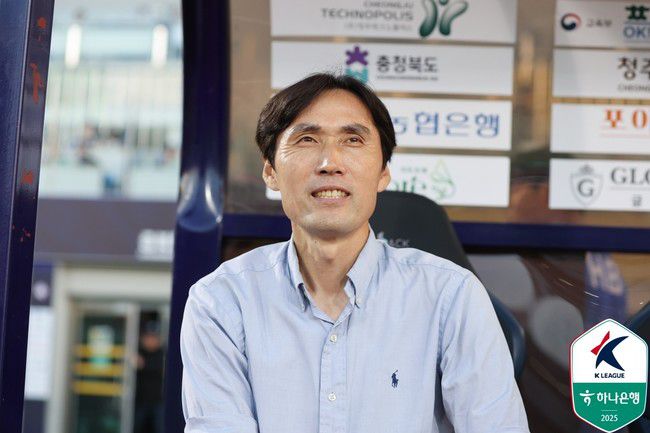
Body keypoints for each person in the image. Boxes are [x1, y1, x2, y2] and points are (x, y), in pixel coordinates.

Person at [180, 73, 530, 432]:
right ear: (271, 172)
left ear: (383, 173)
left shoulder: (451, 296)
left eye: (352, 140)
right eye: (307, 139)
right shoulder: (222, 302)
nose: (330, 162)